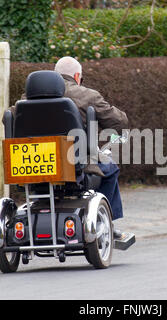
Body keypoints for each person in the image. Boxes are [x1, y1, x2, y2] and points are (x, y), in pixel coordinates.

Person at [54, 57, 128, 240]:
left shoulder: (27, 98)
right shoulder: (87, 96)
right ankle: (104, 221)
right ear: (77, 76)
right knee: (110, 167)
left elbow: (8, 118)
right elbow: (119, 121)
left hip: (33, 165)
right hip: (74, 164)